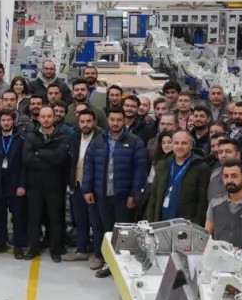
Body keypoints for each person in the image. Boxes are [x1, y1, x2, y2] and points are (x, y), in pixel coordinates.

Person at [84, 106, 148, 276]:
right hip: (102, 194)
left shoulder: (135, 142)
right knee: (107, 230)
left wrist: (134, 194)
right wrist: (87, 189)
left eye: (119, 120)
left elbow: (140, 170)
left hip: (123, 196)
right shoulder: (98, 141)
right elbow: (89, 166)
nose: (115, 123)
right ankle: (109, 263)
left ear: (124, 120)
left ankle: (124, 265)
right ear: (108, 120)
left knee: (124, 232)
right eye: (112, 119)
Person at [22, 106, 70, 262]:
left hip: (55, 186)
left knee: (55, 219)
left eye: (49, 116)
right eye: (43, 116)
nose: (46, 119)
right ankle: (34, 248)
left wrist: (39, 153)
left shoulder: (61, 137)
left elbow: (60, 158)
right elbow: (27, 158)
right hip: (35, 185)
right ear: (39, 118)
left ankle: (55, 249)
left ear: (54, 117)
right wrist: (50, 162)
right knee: (33, 219)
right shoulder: (31, 136)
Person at [0, 109, 27, 257]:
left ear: (13, 121)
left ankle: (18, 246)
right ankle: (1, 243)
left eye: (9, 120)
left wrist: (22, 185)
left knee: (18, 217)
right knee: (0, 216)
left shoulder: (21, 139)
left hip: (15, 183)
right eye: (3, 120)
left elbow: (24, 164)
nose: (6, 123)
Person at [67, 111, 102, 263]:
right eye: (82, 121)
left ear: (94, 122)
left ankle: (98, 254)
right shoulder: (73, 138)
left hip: (94, 188)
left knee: (96, 222)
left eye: (88, 121)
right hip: (77, 185)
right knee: (80, 220)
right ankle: (81, 249)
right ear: (78, 123)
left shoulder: (101, 140)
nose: (85, 124)